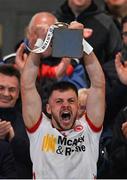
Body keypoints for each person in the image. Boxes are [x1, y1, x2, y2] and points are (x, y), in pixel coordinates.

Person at [17, 21, 105, 179]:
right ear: (48, 109)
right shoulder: (40, 130)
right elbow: (27, 85)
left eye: (71, 101)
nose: (66, 105)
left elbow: (98, 84)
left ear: (78, 107)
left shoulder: (88, 130)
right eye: (59, 102)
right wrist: (40, 43)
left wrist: (81, 42)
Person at [25, 12, 92, 89]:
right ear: (28, 33)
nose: (43, 37)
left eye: (49, 32)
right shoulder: (14, 61)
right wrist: (22, 75)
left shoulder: (71, 64)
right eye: (37, 31)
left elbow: (77, 97)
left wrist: (61, 78)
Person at [0, 64, 32, 179]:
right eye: (1, 88)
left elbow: (38, 159)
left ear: (19, 94)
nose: (6, 94)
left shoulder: (29, 122)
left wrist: (13, 139)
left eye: (12, 89)